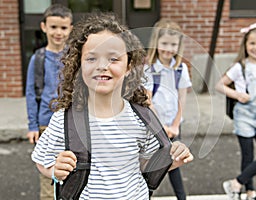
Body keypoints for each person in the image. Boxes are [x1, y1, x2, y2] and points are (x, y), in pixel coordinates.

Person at [31, 12, 194, 200]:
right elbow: (42, 160)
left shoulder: (142, 118)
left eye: (113, 59)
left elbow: (145, 165)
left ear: (129, 66)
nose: (102, 66)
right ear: (78, 66)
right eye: (91, 58)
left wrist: (173, 158)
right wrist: (54, 170)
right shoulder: (64, 119)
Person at [215, 23, 256, 200]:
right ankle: (249, 191)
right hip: (244, 116)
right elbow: (219, 85)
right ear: (245, 45)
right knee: (248, 155)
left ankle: (236, 183)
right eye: (252, 43)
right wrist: (237, 94)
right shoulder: (240, 67)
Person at [25, 4, 73, 200]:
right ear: (44, 27)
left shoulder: (74, 57)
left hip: (70, 123)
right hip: (46, 123)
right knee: (48, 173)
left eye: (63, 28)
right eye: (53, 27)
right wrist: (32, 125)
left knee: (70, 169)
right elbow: (30, 92)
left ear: (70, 28)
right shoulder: (38, 58)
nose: (58, 32)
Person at [144, 19, 192, 200]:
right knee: (150, 164)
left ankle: (182, 197)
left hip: (173, 126)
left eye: (173, 44)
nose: (168, 48)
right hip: (154, 126)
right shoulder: (148, 68)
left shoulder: (181, 69)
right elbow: (148, 101)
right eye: (164, 43)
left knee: (174, 163)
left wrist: (175, 124)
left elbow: (182, 99)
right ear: (156, 42)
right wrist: (161, 126)